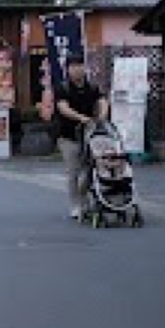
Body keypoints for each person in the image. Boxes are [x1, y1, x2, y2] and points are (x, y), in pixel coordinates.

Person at [54, 54, 108, 220]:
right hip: (68, 136)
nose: (77, 69)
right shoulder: (63, 88)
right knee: (73, 172)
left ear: (84, 68)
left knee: (89, 170)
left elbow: (102, 100)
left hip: (90, 136)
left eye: (79, 66)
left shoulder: (91, 86)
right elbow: (63, 108)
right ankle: (75, 205)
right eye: (73, 66)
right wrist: (80, 118)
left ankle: (83, 200)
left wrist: (103, 115)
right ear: (68, 69)